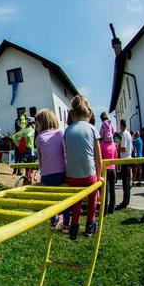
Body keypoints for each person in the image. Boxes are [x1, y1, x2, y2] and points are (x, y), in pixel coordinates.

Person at [64, 95, 102, 240]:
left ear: (72, 113)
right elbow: (98, 158)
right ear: (88, 112)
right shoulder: (92, 129)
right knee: (93, 198)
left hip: (72, 175)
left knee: (76, 200)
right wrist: (99, 179)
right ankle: (89, 226)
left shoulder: (67, 131)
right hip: (88, 175)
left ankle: (74, 226)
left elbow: (68, 154)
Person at [34, 109, 69, 227]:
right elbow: (65, 154)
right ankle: (66, 218)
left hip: (47, 177)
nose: (36, 128)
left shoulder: (39, 138)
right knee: (64, 197)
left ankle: (54, 217)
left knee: (50, 197)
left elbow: (41, 161)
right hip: (61, 174)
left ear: (42, 123)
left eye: (37, 125)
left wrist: (42, 172)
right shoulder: (60, 134)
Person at [99, 128, 118, 215]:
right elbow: (115, 157)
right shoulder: (113, 145)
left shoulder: (101, 146)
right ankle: (112, 208)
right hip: (113, 169)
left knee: (105, 190)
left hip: (105, 170)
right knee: (112, 189)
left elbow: (100, 159)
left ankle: (104, 210)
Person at [116, 119, 132, 210]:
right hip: (127, 158)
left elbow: (124, 148)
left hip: (125, 159)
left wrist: (117, 149)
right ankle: (126, 201)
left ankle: (125, 202)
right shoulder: (128, 134)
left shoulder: (125, 134)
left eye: (120, 125)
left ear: (122, 125)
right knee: (126, 182)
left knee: (125, 182)